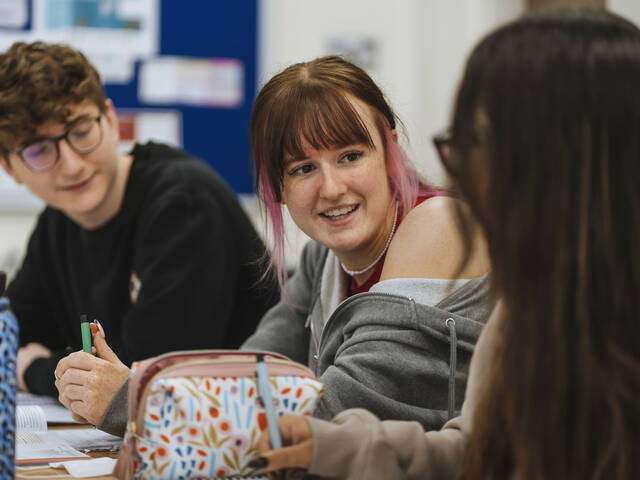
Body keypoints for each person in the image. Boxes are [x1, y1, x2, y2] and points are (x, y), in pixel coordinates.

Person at [251, 9, 640, 479]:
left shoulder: (441, 225)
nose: (466, 177)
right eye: (302, 168)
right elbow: (478, 451)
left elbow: (342, 404)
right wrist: (325, 446)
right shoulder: (541, 289)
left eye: (483, 144)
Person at [55, 55, 491, 437]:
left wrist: (134, 399)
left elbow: (336, 415)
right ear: (277, 187)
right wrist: (126, 383)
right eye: (303, 168)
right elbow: (251, 370)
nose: (332, 188)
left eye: (351, 156)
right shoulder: (326, 257)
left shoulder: (438, 225)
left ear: (391, 151)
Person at [0, 41, 279, 398]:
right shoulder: (57, 224)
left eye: (82, 131)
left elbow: (147, 377)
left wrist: (36, 370)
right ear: (10, 168)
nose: (71, 164)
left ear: (112, 120)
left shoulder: (184, 203)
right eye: (39, 151)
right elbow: (13, 335)